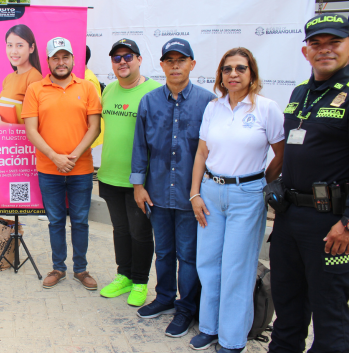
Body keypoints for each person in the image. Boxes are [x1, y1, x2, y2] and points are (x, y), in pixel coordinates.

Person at [268, 14, 349, 353]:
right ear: (306, 51)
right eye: (316, 44)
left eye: (333, 43)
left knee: (329, 313)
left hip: (333, 225)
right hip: (291, 218)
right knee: (288, 306)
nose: (324, 50)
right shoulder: (301, 92)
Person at [188, 48, 285, 352]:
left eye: (240, 68)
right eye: (227, 69)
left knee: (237, 268)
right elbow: (202, 153)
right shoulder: (213, 107)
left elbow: (281, 154)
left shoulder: (267, 109)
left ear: (251, 74)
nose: (233, 74)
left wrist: (260, 184)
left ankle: (232, 339)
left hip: (247, 196)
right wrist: (195, 194)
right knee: (208, 263)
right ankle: (209, 327)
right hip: (211, 193)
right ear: (220, 75)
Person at [131, 38, 214, 337]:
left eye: (182, 60)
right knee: (164, 252)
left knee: (188, 256)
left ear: (192, 64)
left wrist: (204, 193)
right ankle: (165, 298)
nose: (175, 65)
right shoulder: (149, 101)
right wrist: (138, 185)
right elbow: (141, 146)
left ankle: (186, 308)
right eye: (170, 60)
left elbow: (212, 152)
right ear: (162, 65)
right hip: (157, 193)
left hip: (192, 197)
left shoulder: (208, 102)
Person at [22, 37, 101, 290]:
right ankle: (59, 268)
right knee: (56, 221)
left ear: (73, 60)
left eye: (65, 57)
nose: (61, 62)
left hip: (81, 169)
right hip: (49, 169)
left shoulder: (88, 87)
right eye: (55, 57)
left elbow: (94, 127)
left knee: (80, 221)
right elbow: (31, 130)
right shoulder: (36, 89)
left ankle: (81, 269)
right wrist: (55, 157)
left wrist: (73, 156)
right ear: (48, 61)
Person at [98, 39, 160, 307]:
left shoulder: (155, 91)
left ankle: (141, 282)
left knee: (140, 232)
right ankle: (123, 275)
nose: (122, 62)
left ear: (139, 59)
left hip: (140, 181)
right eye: (116, 58)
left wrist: (145, 180)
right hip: (109, 174)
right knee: (120, 230)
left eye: (128, 57)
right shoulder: (108, 91)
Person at [0, 24, 42, 127]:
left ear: (31, 48)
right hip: (6, 140)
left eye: (19, 45)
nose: (13, 51)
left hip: (23, 142)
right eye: (10, 45)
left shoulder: (34, 78)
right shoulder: (8, 78)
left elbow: (37, 126)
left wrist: (2, 125)